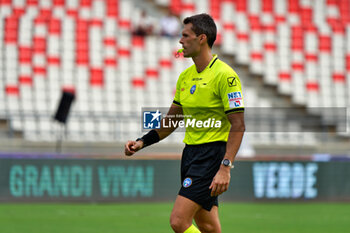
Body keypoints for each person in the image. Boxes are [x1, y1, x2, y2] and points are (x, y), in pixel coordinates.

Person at [125, 13, 245, 233]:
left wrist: (225, 166)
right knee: (208, 226)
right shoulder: (185, 77)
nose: (180, 41)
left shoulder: (225, 76)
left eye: (185, 35)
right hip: (190, 155)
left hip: (212, 156)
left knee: (178, 221)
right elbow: (171, 121)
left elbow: (238, 124)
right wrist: (143, 141)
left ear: (201, 38)